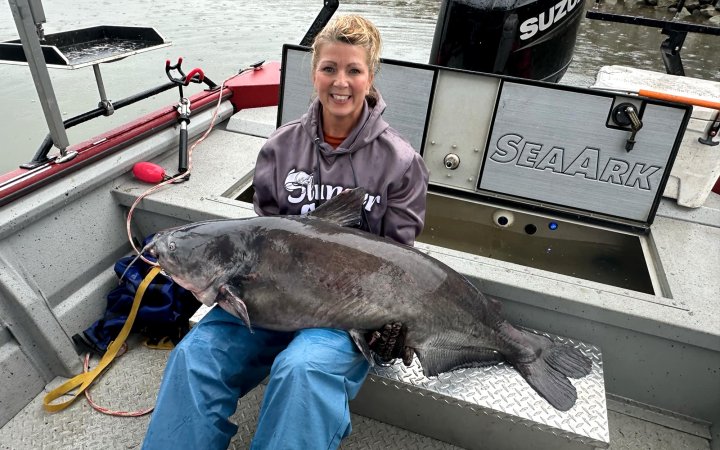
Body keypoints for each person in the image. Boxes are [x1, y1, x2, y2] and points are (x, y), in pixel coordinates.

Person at [142, 14, 429, 450]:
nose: (340, 81)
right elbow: (259, 238)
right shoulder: (279, 148)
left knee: (303, 369)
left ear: (371, 78)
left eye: (354, 69)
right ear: (313, 72)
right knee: (193, 357)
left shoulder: (402, 162)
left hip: (343, 318)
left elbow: (398, 260)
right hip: (263, 305)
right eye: (329, 68)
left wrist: (387, 322)